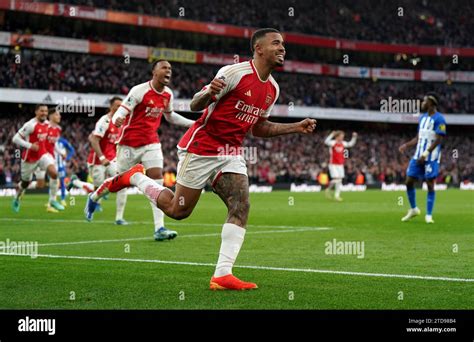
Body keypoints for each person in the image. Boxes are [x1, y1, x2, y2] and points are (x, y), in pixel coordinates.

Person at [86, 28, 317, 290]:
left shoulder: (272, 90)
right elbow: (196, 105)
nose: (282, 48)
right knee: (178, 210)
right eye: (276, 43)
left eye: (284, 44)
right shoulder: (233, 73)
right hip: (202, 147)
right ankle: (135, 177)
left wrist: (295, 126)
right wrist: (209, 93)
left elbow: (258, 128)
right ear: (259, 48)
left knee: (241, 205)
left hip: (230, 152)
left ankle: (222, 274)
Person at [89, 60, 195, 240]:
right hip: (128, 144)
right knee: (119, 182)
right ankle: (94, 197)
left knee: (156, 181)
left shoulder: (168, 95)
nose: (168, 70)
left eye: (170, 68)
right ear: (154, 72)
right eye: (164, 67)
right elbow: (121, 113)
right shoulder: (139, 91)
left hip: (151, 143)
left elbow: (170, 117)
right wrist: (117, 120)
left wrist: (193, 124)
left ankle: (159, 228)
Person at [399, 93, 446, 224]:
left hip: (431, 157)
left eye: (424, 101)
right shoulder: (422, 118)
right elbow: (418, 137)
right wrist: (406, 145)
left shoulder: (440, 119)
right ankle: (414, 209)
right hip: (417, 155)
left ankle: (429, 215)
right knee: (409, 181)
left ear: (431, 103)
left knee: (430, 184)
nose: (422, 103)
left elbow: (439, 140)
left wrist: (425, 153)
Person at [11, 104, 64, 212]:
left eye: (45, 111)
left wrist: (59, 151)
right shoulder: (30, 125)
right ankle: (17, 198)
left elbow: (51, 140)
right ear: (36, 112)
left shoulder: (47, 124)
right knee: (26, 183)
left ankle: (53, 200)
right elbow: (15, 139)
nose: (44, 113)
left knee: (54, 173)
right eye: (41, 111)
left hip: (43, 155)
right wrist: (30, 146)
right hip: (29, 158)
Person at [86, 96, 127, 223]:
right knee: (98, 188)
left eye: (121, 105)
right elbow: (93, 139)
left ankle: (119, 218)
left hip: (113, 159)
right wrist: (102, 157)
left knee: (123, 183)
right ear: (111, 106)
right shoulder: (104, 121)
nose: (120, 108)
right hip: (98, 159)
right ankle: (92, 199)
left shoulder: (121, 123)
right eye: (117, 105)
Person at [324, 131, 357, 201]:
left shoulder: (343, 143)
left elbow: (350, 144)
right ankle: (328, 189)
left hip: (340, 165)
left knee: (339, 181)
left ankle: (336, 196)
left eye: (343, 136)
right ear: (337, 136)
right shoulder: (333, 143)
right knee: (337, 179)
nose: (342, 137)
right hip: (333, 164)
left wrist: (354, 137)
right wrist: (331, 134)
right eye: (341, 136)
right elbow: (326, 142)